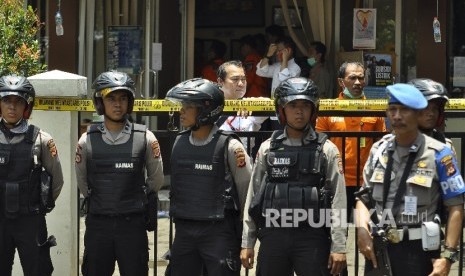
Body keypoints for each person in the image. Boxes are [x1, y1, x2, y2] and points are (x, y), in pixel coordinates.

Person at [240, 77, 347, 276]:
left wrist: (339, 246)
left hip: (312, 237)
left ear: (313, 110)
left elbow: (338, 200)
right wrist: (248, 242)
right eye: (293, 105)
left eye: (305, 106)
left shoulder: (327, 150)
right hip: (274, 235)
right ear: (281, 110)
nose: (299, 111)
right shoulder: (267, 148)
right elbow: (253, 199)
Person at [355, 83, 465, 276]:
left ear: (417, 114)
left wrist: (448, 256)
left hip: (419, 252)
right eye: (392, 109)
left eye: (404, 110)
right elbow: (363, 198)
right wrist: (362, 231)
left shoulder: (440, 154)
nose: (397, 116)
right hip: (379, 248)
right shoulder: (378, 150)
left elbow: (456, 206)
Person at [75, 71, 164, 276]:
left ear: (130, 102)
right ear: (100, 102)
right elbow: (83, 183)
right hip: (98, 226)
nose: (117, 104)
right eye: (111, 98)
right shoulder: (86, 140)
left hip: (132, 226)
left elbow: (156, 180)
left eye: (123, 98)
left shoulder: (146, 137)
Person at [165, 78, 252, 276]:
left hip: (219, 232)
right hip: (185, 230)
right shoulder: (179, 142)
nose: (181, 111)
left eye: (188, 107)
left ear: (206, 110)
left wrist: (246, 239)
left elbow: (247, 193)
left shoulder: (230, 146)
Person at [0, 75, 64, 275]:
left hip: (30, 221)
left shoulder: (41, 139)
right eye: (6, 101)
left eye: (18, 102)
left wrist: (38, 206)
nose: (12, 107)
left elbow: (57, 180)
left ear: (26, 106)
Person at [316, 61, 386, 220]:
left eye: (361, 78)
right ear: (341, 81)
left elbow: (381, 145)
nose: (357, 83)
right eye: (352, 78)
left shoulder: (374, 108)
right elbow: (318, 144)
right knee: (338, 229)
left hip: (366, 180)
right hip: (336, 179)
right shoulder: (329, 108)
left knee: (368, 227)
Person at [216, 60, 267, 154]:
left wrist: (246, 105)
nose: (241, 84)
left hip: (243, 166)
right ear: (220, 81)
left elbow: (275, 104)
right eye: (235, 79)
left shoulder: (249, 104)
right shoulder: (211, 107)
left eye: (243, 79)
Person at [408, 78, 453, 148]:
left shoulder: (445, 145)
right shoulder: (393, 144)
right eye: (425, 108)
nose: (431, 113)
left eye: (435, 109)